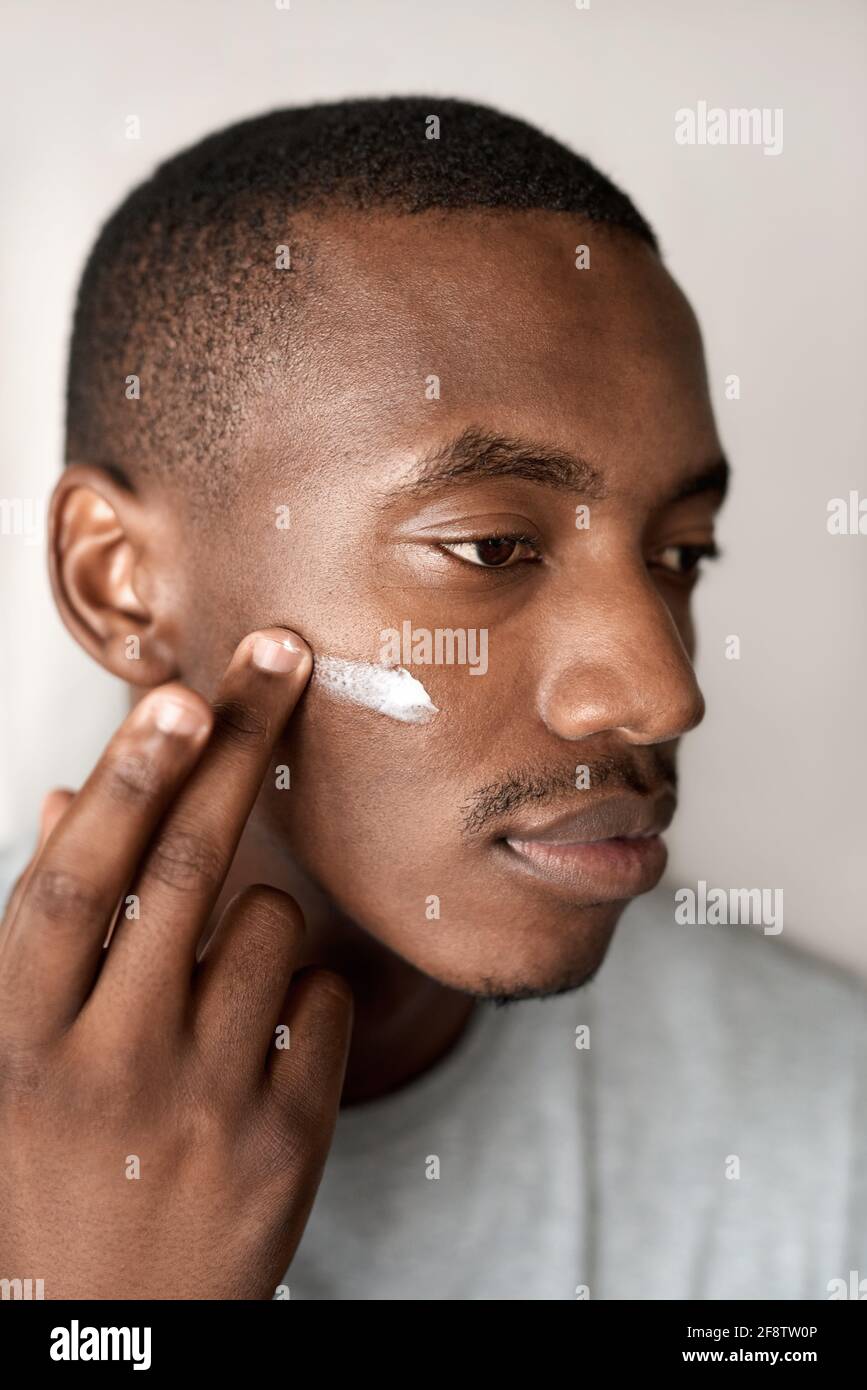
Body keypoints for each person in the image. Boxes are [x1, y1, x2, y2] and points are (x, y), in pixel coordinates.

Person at [0, 97, 863, 1301]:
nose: (664, 694)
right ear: (120, 582)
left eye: (682, 553)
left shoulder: (829, 1129)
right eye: (492, 548)